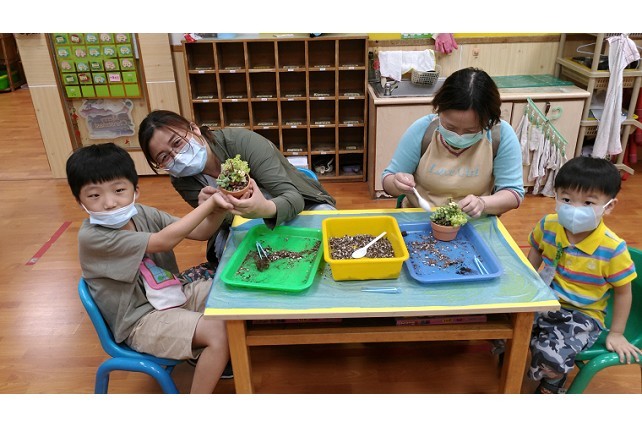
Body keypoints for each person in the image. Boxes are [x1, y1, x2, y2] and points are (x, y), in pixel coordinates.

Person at [66, 143, 231, 394]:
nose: (110, 203)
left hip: (173, 296)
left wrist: (217, 209)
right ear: (80, 201)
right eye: (94, 196)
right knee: (218, 332)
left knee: (231, 293)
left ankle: (212, 353)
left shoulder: (141, 213)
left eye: (119, 190)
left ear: (135, 190)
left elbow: (200, 231)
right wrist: (207, 207)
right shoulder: (92, 237)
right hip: (140, 321)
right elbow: (163, 241)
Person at [138, 110, 337, 265]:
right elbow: (221, 224)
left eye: (178, 143)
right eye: (164, 157)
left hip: (295, 209)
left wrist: (264, 208)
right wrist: (212, 211)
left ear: (194, 129)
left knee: (327, 238)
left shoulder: (241, 142)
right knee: (236, 259)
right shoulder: (181, 179)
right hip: (243, 225)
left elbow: (294, 197)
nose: (177, 157)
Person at [526, 156, 641, 393]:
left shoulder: (612, 249)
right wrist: (528, 281)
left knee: (550, 354)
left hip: (582, 315)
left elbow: (623, 292)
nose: (574, 209)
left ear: (609, 206)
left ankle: (553, 382)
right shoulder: (548, 225)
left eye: (588, 202)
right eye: (567, 199)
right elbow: (536, 248)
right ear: (556, 195)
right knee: (504, 322)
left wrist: (616, 333)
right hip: (545, 298)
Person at [381, 67, 524, 218]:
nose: (459, 136)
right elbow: (388, 181)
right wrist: (397, 183)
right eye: (450, 127)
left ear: (488, 120)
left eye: (470, 130)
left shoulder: (501, 135)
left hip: (474, 222)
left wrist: (482, 203)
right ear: (439, 110)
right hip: (419, 218)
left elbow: (513, 193)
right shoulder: (423, 129)